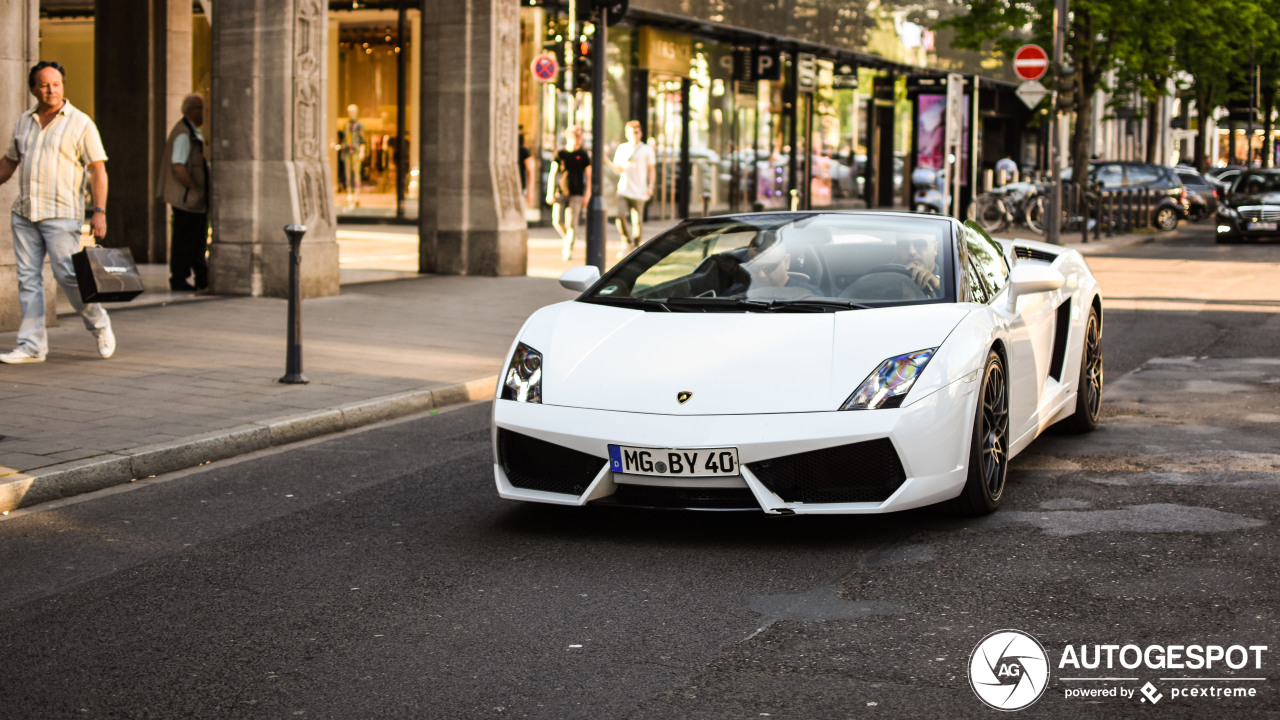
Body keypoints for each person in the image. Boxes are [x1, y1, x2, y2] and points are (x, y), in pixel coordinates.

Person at [0, 61, 115, 364]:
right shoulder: (24, 121)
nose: (51, 89)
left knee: (69, 276)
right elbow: (10, 162)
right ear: (33, 88)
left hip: (62, 214)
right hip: (25, 213)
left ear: (63, 85)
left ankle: (100, 323)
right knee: (28, 278)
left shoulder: (81, 123)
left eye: (56, 84)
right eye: (45, 84)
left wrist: (99, 212)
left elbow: (98, 170)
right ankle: (32, 346)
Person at [159, 93, 209, 291]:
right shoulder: (183, 133)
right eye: (202, 109)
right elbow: (178, 166)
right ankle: (179, 278)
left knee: (196, 239)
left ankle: (201, 276)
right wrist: (194, 188)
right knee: (185, 239)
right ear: (192, 111)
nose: (205, 113)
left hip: (192, 199)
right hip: (186, 199)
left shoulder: (192, 131)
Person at [605, 120, 655, 256]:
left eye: (637, 132)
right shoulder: (622, 148)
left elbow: (651, 169)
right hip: (624, 188)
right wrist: (606, 161)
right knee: (620, 214)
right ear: (627, 134)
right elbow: (617, 169)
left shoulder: (646, 149)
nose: (635, 135)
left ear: (641, 133)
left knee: (637, 220)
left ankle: (636, 245)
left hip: (639, 190)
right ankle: (626, 240)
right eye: (632, 132)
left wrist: (651, 186)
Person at [546, 127, 591, 260]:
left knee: (571, 222)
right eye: (575, 136)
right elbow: (553, 173)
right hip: (561, 191)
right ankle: (569, 238)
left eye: (579, 136)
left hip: (577, 193)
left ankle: (568, 249)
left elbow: (588, 176)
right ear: (569, 137)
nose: (578, 139)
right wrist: (550, 192)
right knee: (557, 220)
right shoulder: (560, 153)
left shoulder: (583, 154)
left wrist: (587, 193)